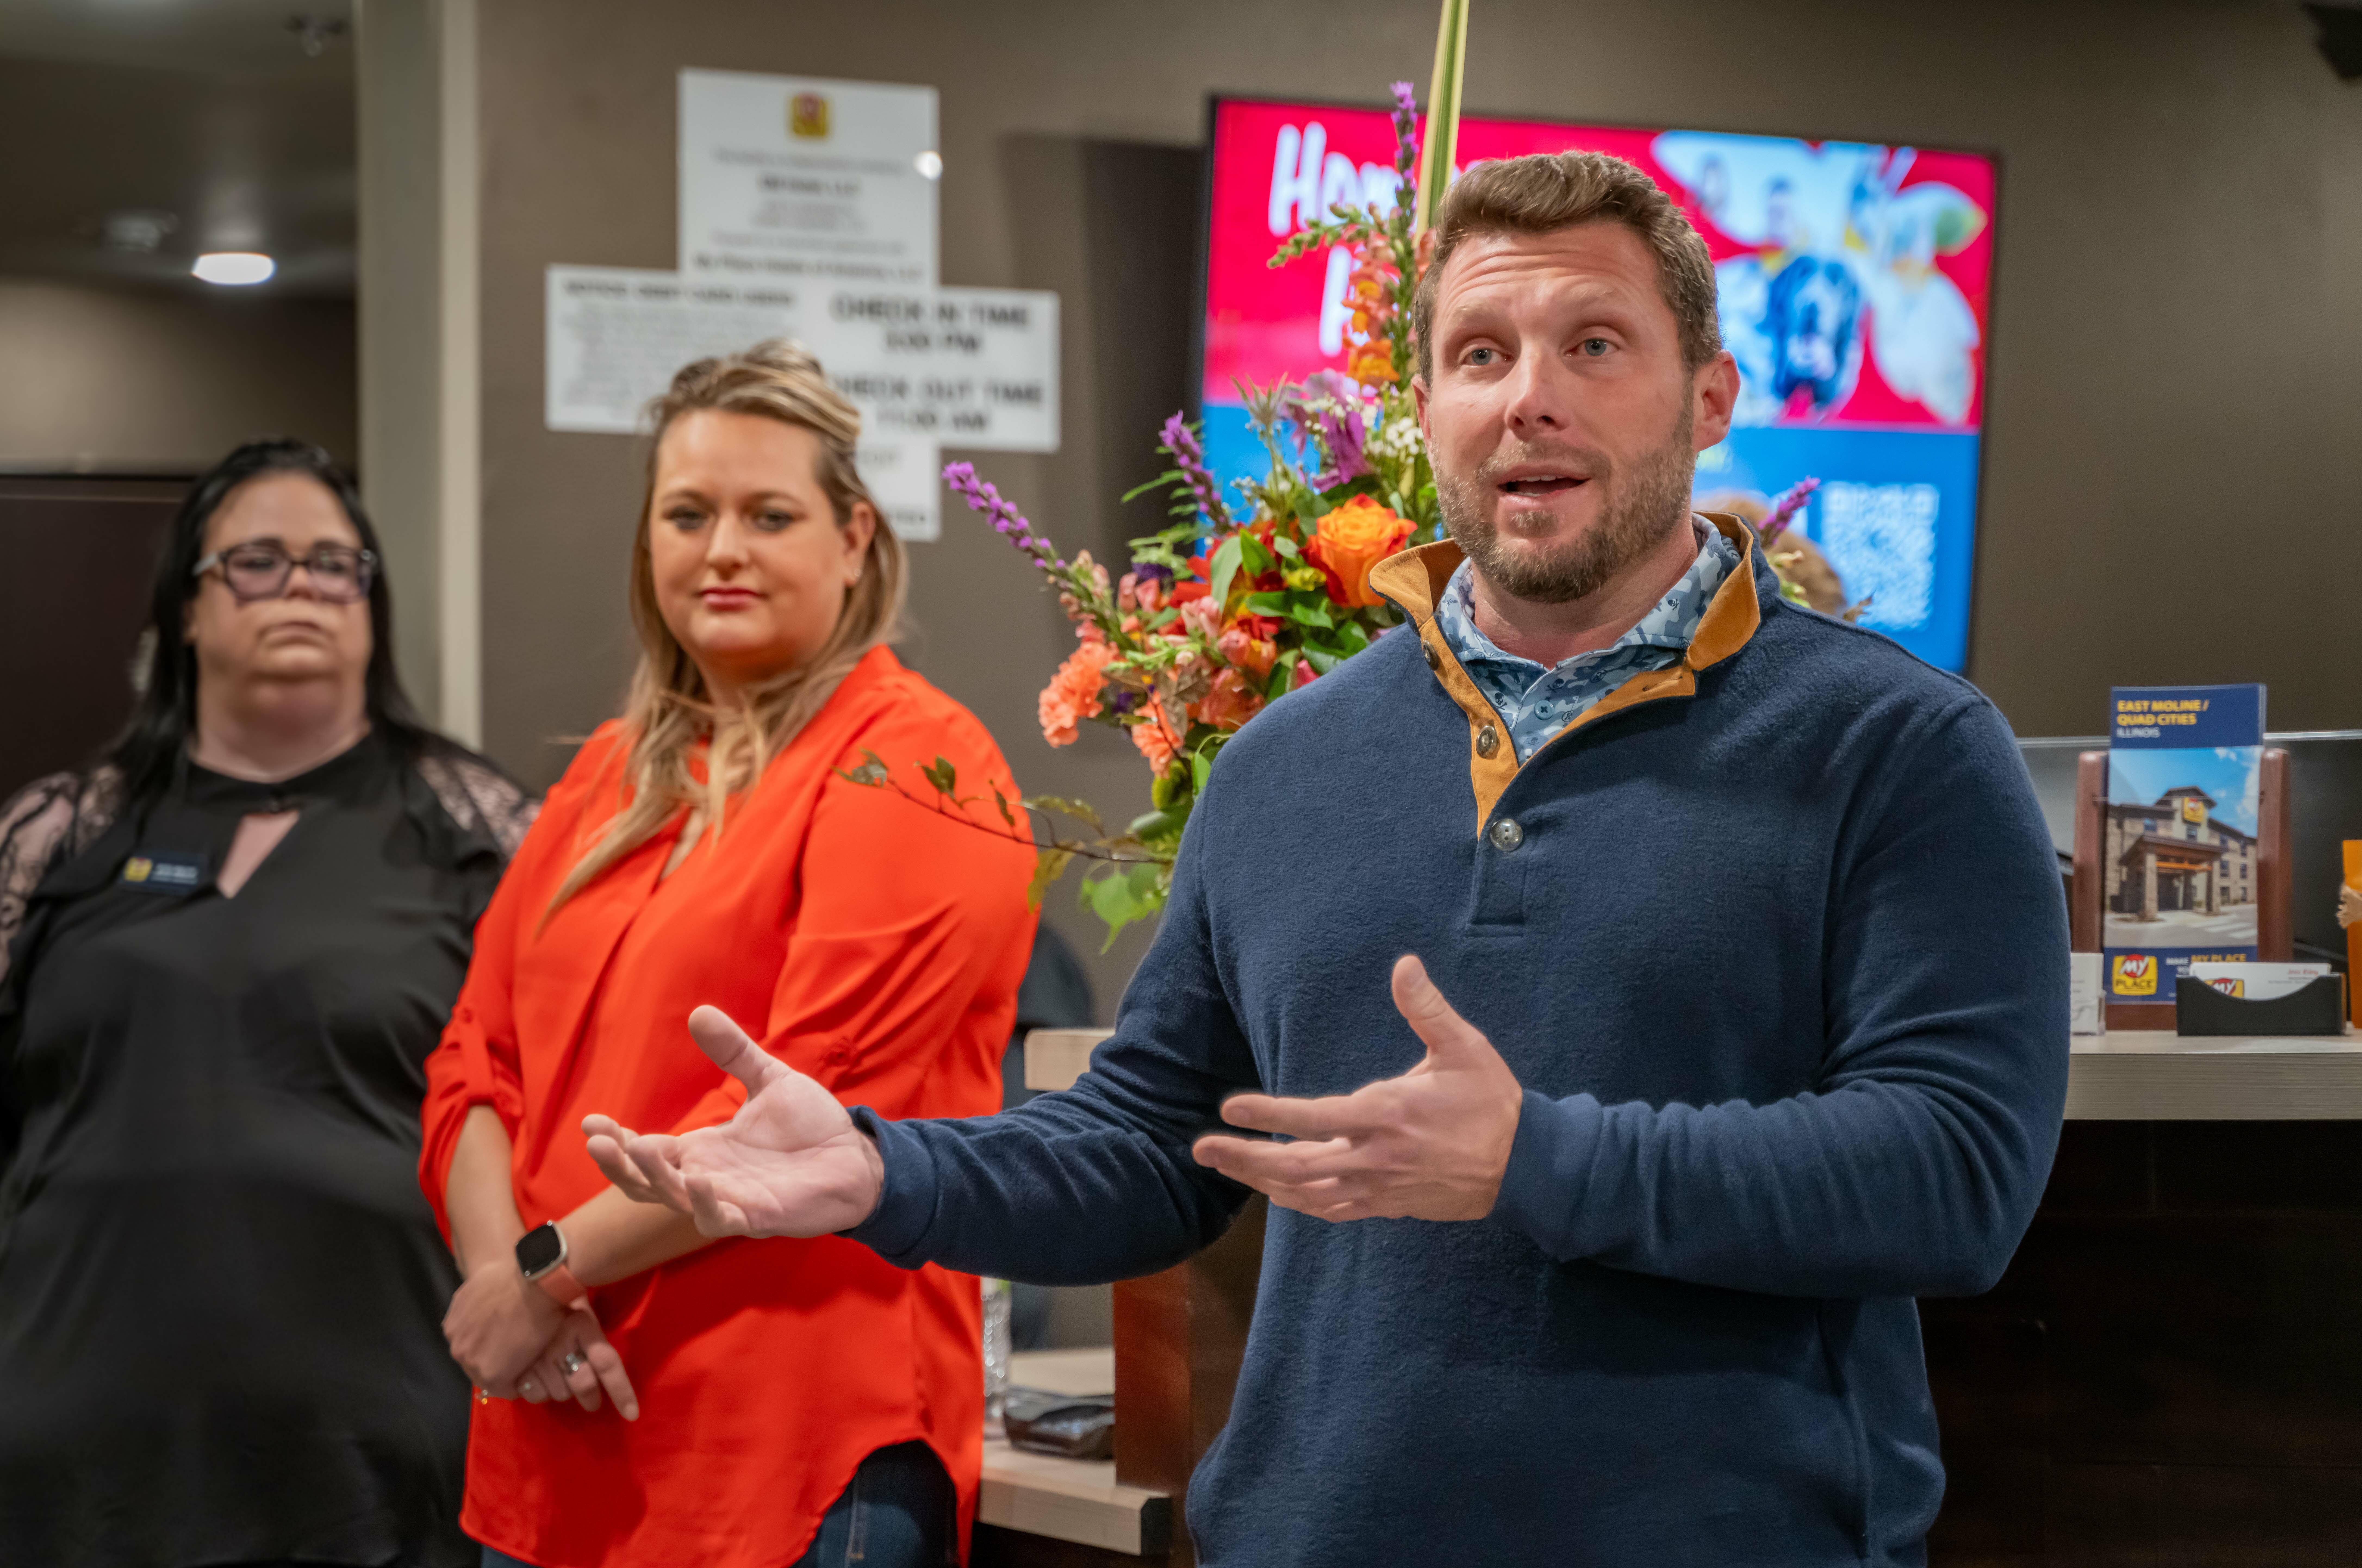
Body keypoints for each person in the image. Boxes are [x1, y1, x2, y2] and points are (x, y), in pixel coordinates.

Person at [586, 155, 2070, 1566]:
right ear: (1425, 406)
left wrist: (1532, 1158)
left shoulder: (1901, 746)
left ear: (1708, 398)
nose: (1529, 400)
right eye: (1479, 355)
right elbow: (1153, 1141)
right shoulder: (1287, 760)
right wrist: (878, 1166)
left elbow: (1953, 1174)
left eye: (1594, 345)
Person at [420, 341, 1035, 1568]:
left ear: (855, 536)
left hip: (792, 1453)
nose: (722, 550)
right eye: (687, 514)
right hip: (561, 1429)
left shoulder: (921, 762)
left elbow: (788, 1114)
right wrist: (510, 1284)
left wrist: (536, 1276)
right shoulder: (606, 775)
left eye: (770, 514)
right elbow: (470, 1064)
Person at [0, 438, 535, 1568]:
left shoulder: (480, 829)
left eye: (335, 564)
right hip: (74, 1444)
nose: (300, 585)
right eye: (256, 559)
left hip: (379, 1442)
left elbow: (547, 1101)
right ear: (184, 609)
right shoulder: (59, 835)